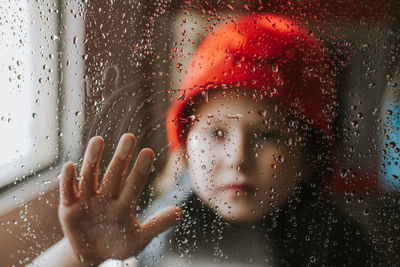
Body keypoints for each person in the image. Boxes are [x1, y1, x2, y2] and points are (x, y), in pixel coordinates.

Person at [32, 13, 379, 266]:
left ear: (308, 159)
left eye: (268, 135)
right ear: (185, 148)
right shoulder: (147, 233)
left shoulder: (341, 247)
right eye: (216, 133)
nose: (238, 158)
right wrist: (79, 253)